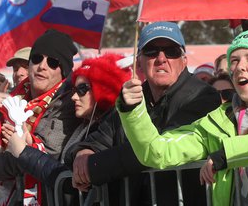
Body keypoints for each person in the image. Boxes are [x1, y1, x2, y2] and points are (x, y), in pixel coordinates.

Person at [117, 29, 248, 206]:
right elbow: (157, 152)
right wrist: (132, 110)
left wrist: (225, 156)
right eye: (234, 61)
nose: (239, 67)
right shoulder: (215, 121)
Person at [65, 22, 220, 205]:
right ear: (139, 61)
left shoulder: (203, 96)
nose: (161, 58)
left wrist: (92, 167)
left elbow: (156, 149)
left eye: (171, 51)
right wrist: (83, 153)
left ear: (184, 60)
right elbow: (99, 139)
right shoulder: (130, 97)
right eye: (152, 51)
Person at [0, 29, 81, 206]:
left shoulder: (69, 103)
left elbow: (31, 156)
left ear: (63, 72)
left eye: (52, 62)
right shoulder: (13, 99)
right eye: (37, 58)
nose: (42, 66)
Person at [4, 53, 130, 203]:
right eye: (74, 90)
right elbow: (64, 175)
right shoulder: (83, 126)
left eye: (82, 89)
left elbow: (71, 183)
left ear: (103, 89)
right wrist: (31, 144)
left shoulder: (109, 126)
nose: (74, 97)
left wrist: (23, 152)